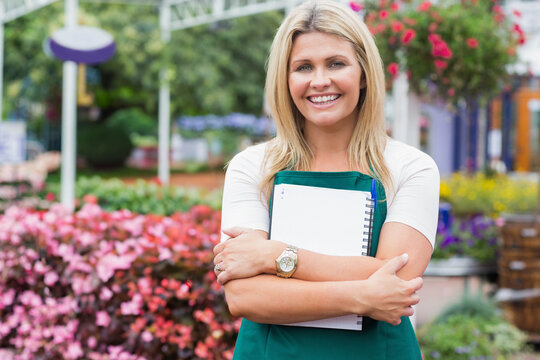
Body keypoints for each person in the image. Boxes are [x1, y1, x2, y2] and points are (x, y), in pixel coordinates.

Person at [212, 0, 440, 358]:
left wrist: (275, 256)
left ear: (363, 73)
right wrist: (362, 295)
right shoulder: (252, 167)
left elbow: (396, 285)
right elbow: (244, 296)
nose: (320, 80)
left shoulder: (410, 167)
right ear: (285, 80)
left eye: (336, 63)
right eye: (303, 66)